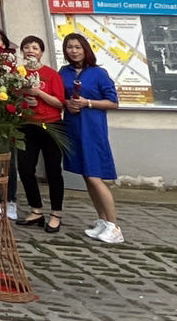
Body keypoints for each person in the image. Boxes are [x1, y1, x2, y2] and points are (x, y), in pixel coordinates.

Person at [60, 33, 122, 244]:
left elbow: (113, 102)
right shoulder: (64, 72)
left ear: (85, 49)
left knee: (95, 176)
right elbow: (61, 96)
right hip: (74, 128)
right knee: (87, 176)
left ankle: (114, 226)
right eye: (69, 47)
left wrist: (88, 103)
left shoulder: (98, 73)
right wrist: (67, 104)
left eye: (77, 47)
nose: (73, 51)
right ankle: (102, 220)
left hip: (93, 129)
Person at [15, 34, 66, 234]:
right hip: (27, 125)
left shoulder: (51, 74)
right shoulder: (18, 73)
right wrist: (24, 101)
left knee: (53, 170)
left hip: (51, 125)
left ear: (41, 52)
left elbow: (60, 103)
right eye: (26, 47)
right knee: (25, 168)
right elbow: (11, 99)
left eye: (35, 48)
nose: (30, 51)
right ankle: (36, 209)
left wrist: (39, 94)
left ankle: (56, 213)